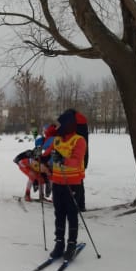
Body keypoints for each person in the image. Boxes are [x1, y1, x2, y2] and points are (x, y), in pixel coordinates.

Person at [48, 109, 87, 261]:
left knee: (71, 215)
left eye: (60, 124)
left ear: (68, 125)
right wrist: (37, 153)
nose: (58, 127)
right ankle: (59, 244)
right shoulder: (57, 140)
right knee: (59, 215)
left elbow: (77, 160)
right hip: (57, 184)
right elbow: (47, 154)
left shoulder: (79, 140)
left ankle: (71, 244)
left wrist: (62, 160)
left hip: (72, 185)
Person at [14, 124, 56, 201]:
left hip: (37, 162)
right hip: (25, 163)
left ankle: (42, 196)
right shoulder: (44, 144)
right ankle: (27, 195)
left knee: (42, 177)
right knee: (35, 175)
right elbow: (36, 155)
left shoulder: (47, 142)